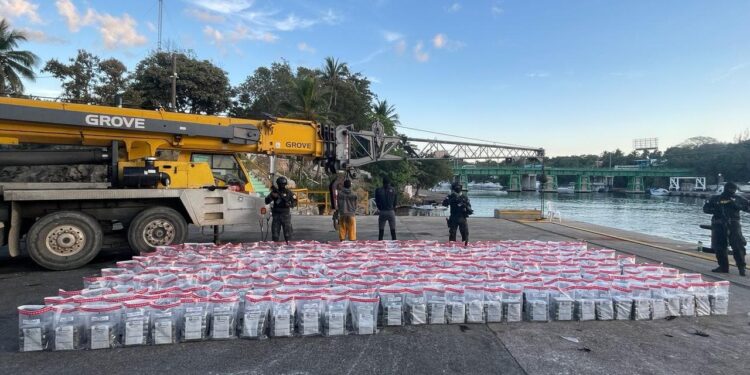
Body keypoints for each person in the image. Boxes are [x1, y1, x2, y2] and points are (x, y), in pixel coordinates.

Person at [703, 182, 749, 276]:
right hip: (719, 222)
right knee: (720, 246)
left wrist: (737, 206)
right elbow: (706, 209)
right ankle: (723, 266)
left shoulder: (738, 199)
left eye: (733, 189)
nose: (732, 191)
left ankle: (741, 267)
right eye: (730, 189)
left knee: (738, 245)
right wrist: (717, 211)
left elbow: (748, 208)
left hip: (733, 223)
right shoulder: (715, 199)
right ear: (725, 188)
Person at [265, 176, 297, 242]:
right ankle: (275, 249)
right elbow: (266, 201)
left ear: (285, 184)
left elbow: (295, 201)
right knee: (275, 235)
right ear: (278, 184)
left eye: (282, 184)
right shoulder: (274, 192)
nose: (281, 185)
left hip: (285, 215)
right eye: (280, 184)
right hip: (276, 215)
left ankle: (289, 248)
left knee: (288, 235)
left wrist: (290, 205)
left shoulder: (289, 193)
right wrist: (272, 196)